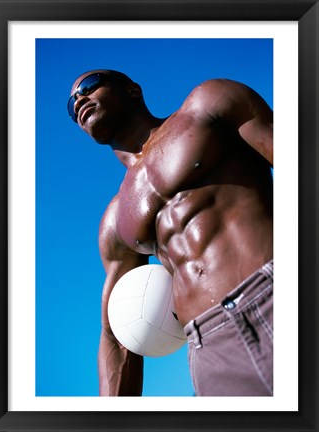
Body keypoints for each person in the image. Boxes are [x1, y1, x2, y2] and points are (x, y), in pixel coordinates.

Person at [68, 69, 273, 396]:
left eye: (89, 86)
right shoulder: (115, 219)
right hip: (210, 348)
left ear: (132, 89)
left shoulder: (208, 104)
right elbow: (118, 336)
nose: (79, 98)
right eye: (71, 102)